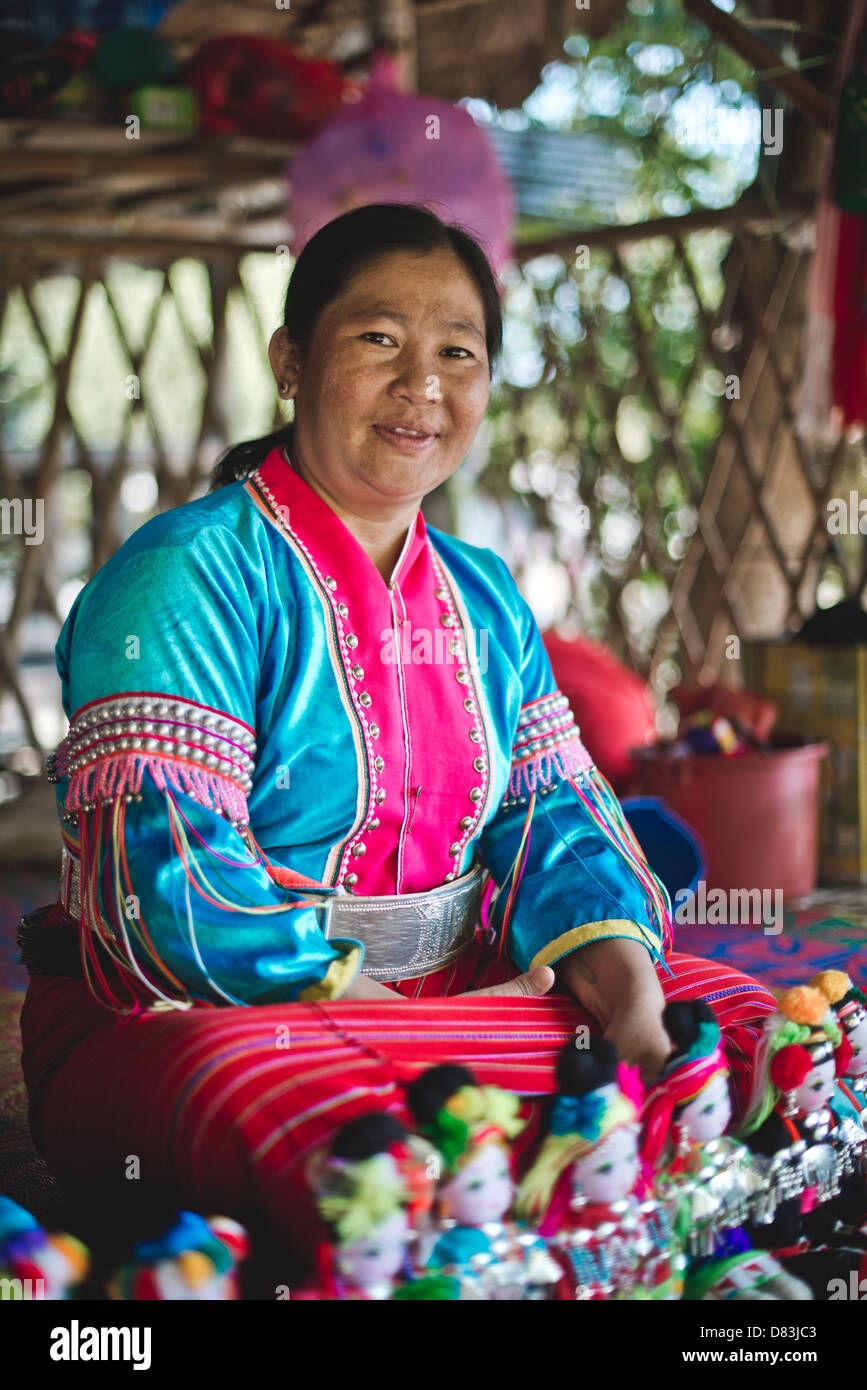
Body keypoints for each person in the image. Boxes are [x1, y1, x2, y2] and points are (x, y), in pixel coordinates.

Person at [19, 203, 775, 1264]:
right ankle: (557, 1182)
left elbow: (554, 826)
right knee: (299, 1106)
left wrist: (634, 1010)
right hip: (221, 1016)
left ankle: (500, 1187)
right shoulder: (186, 575)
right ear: (292, 359)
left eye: (456, 353)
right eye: (378, 340)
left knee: (730, 1019)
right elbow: (169, 899)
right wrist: (375, 1004)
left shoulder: (487, 595)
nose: (422, 385)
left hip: (466, 998)